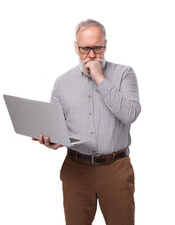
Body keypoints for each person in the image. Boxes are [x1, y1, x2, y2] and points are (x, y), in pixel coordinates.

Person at [32, 19, 141, 225]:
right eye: (85, 49)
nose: (91, 55)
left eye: (97, 48)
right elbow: (57, 127)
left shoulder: (124, 74)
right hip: (76, 169)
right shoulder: (62, 83)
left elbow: (130, 114)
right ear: (76, 47)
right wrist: (53, 141)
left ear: (105, 45)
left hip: (116, 169)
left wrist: (100, 79)